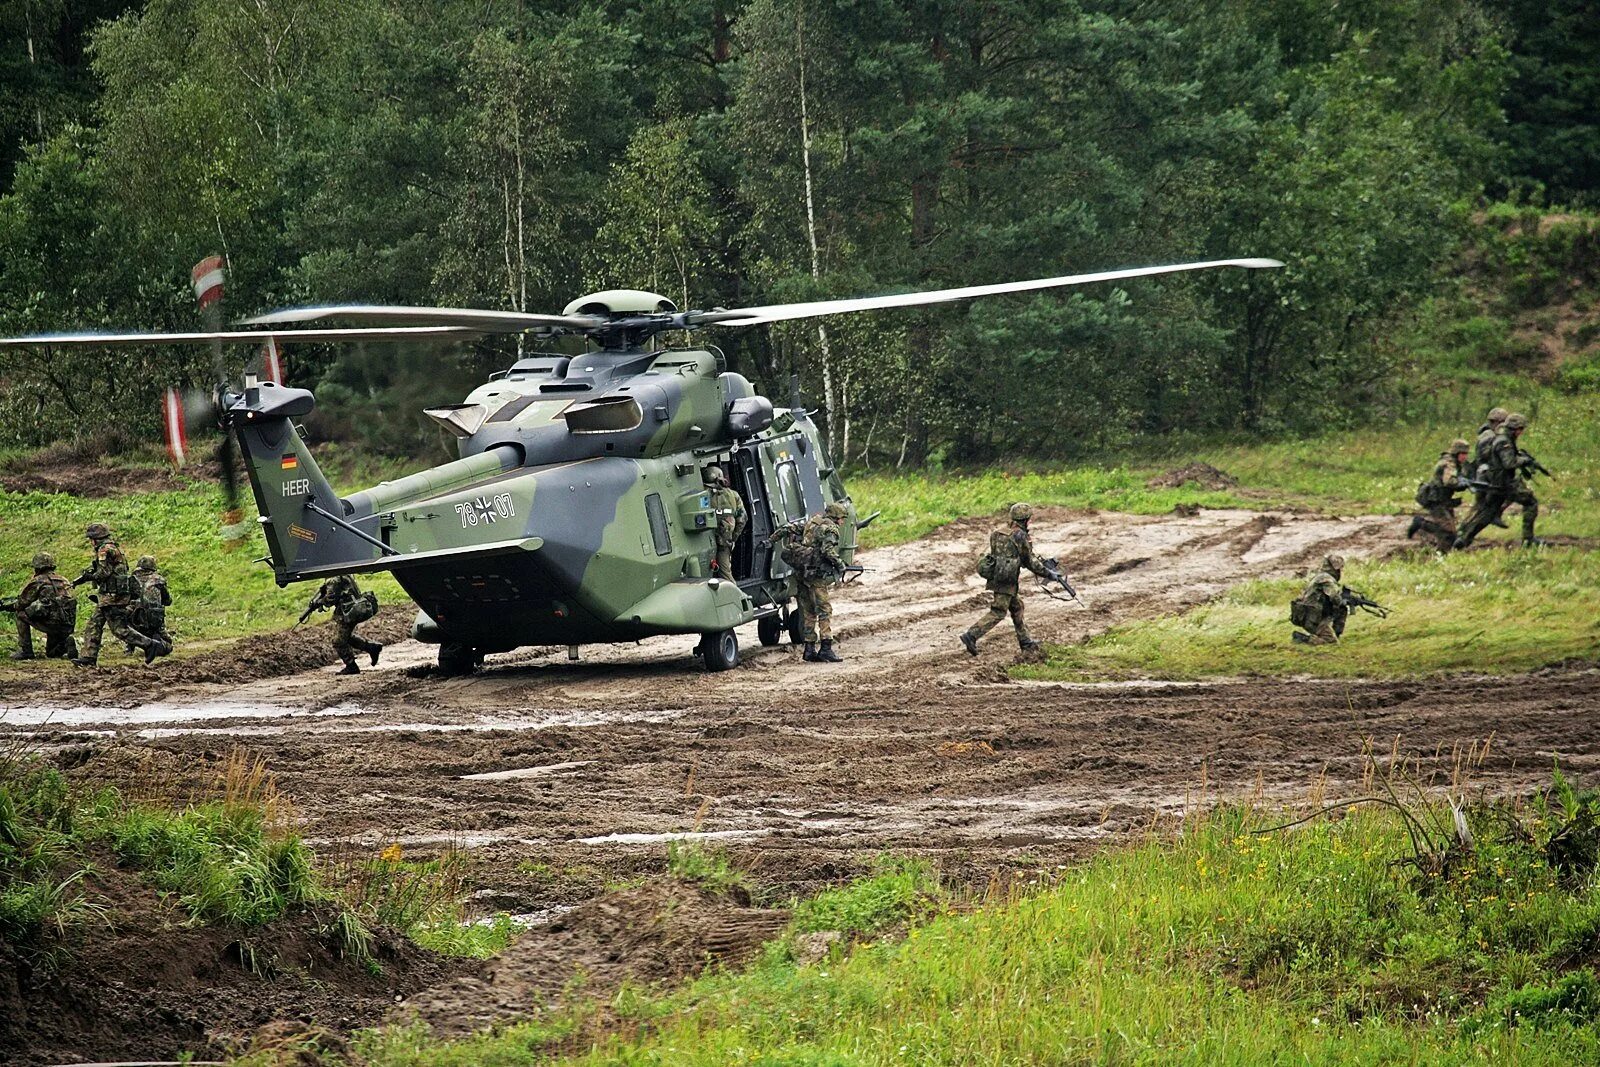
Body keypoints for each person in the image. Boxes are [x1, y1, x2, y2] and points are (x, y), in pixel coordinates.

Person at [961, 502, 1055, 656]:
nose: (1030, 522)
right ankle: (971, 635)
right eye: (1029, 519)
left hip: (997, 576)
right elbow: (1030, 562)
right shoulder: (1020, 536)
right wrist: (1048, 573)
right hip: (1007, 581)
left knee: (1017, 608)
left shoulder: (999, 533)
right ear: (1025, 519)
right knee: (998, 611)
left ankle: (1026, 642)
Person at [72, 522, 167, 666]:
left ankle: (151, 645)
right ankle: (88, 657)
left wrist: (89, 577)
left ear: (95, 539)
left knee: (119, 630)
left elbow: (104, 573)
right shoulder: (114, 548)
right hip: (113, 595)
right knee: (94, 623)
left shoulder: (103, 550)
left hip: (112, 596)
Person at [770, 501, 848, 663]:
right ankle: (826, 647)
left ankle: (809, 648)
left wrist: (771, 540)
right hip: (817, 577)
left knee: (808, 611)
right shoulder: (830, 529)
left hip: (802, 573)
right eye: (842, 518)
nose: (842, 522)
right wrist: (840, 564)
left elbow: (788, 528)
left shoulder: (813, 522)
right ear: (835, 517)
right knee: (824, 610)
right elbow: (827, 551)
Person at [1455, 412, 1541, 550]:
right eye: (1520, 429)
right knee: (1531, 502)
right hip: (1505, 483)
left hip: (1496, 482)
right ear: (1515, 428)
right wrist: (1525, 460)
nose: (1521, 432)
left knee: (1488, 513)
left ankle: (1463, 539)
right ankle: (1528, 539)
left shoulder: (1502, 438)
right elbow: (1509, 463)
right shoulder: (1504, 441)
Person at [2, 552, 79, 660]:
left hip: (51, 623)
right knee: (51, 653)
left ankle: (26, 651)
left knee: (20, 614)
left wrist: (8, 606)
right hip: (67, 625)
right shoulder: (63, 580)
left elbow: (22, 603)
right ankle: (65, 644)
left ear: (37, 567)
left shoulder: (38, 581)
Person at [303, 573, 382, 674]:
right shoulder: (343, 573)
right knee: (345, 637)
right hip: (354, 607)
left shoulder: (333, 578)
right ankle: (372, 648)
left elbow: (330, 599)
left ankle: (351, 666)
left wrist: (318, 602)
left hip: (348, 611)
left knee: (338, 641)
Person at [1407, 439, 1471, 552]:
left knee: (1450, 533)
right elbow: (1449, 481)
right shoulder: (1449, 463)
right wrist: (1462, 483)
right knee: (1448, 531)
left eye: (1466, 454)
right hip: (1435, 500)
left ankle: (1442, 553)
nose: (1465, 457)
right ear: (1457, 453)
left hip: (1443, 500)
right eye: (1463, 454)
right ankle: (1420, 523)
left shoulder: (1453, 462)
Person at [1291, 554, 1348, 645]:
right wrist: (1342, 600)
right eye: (1340, 568)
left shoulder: (1320, 576)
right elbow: (1334, 597)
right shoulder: (1326, 579)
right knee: (1331, 643)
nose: (1341, 571)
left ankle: (1333, 634)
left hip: (1310, 615)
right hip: (1312, 618)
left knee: (1342, 609)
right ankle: (1302, 638)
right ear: (1335, 568)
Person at [1469, 407, 1511, 531]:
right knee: (1481, 508)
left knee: (1483, 507)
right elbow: (1484, 455)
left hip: (1489, 473)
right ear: (1497, 422)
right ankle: (1462, 534)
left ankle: (1464, 533)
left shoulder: (1492, 435)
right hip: (1485, 474)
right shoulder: (1488, 435)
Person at [705, 466, 747, 581]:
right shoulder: (734, 495)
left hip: (705, 541)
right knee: (725, 574)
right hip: (724, 542)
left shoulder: (704, 494)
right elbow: (742, 519)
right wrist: (733, 538)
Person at [130, 555, 174, 653]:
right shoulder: (158, 579)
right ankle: (163, 643)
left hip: (135, 618)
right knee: (165, 640)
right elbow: (167, 600)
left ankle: (129, 647)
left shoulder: (131, 580)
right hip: (154, 618)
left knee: (131, 629)